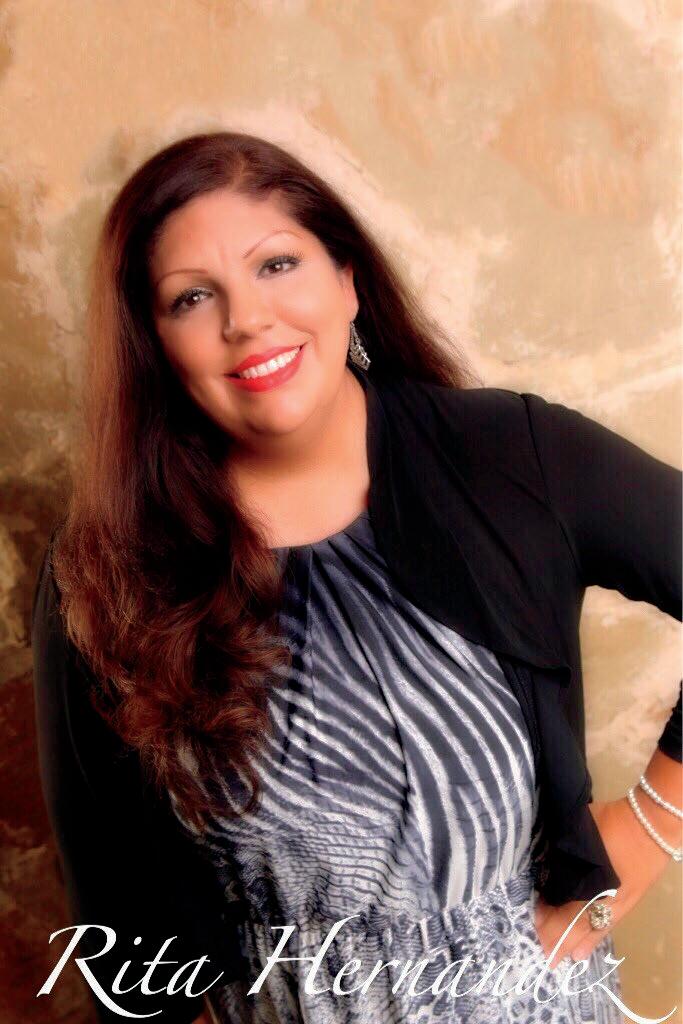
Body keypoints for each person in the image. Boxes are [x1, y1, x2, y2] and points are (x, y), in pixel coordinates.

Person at [31, 131, 682, 1024]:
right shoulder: (106, 568)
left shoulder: (509, 456)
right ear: (156, 345)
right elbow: (128, 936)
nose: (245, 319)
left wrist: (646, 833)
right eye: (192, 297)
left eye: (277, 264)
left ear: (347, 280)